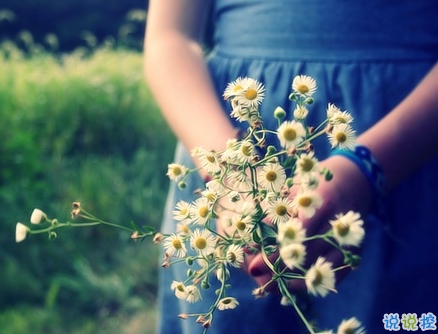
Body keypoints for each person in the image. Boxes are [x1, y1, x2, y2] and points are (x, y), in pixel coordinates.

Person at [143, 0, 438, 333]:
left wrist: (367, 168)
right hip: (223, 147)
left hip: (411, 148)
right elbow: (169, 38)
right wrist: (229, 171)